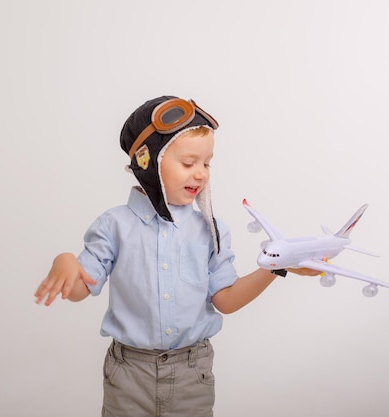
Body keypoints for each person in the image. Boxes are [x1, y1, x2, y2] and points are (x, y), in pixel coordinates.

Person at [34, 96, 317, 417]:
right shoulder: (113, 225)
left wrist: (275, 266)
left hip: (191, 370)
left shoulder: (212, 230)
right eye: (188, 163)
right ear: (149, 164)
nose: (201, 174)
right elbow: (78, 291)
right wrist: (66, 260)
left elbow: (225, 300)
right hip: (129, 373)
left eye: (207, 163)